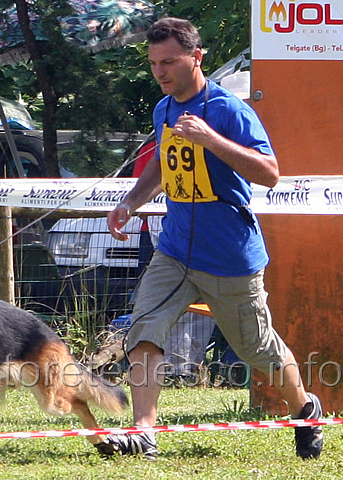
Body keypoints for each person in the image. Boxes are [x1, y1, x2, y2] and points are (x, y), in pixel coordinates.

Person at [100, 17, 323, 460]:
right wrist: (131, 201)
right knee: (144, 330)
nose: (159, 72)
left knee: (258, 349)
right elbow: (163, 166)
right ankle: (144, 432)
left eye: (168, 62)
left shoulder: (229, 110)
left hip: (230, 257)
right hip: (175, 251)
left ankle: (306, 409)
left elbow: (270, 174)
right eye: (153, 64)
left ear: (196, 58)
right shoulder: (163, 110)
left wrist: (211, 138)